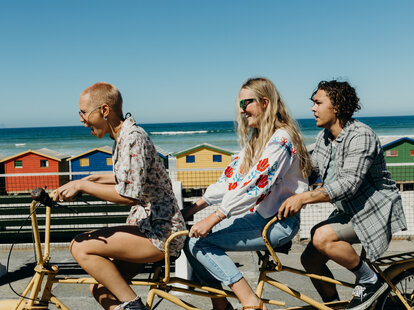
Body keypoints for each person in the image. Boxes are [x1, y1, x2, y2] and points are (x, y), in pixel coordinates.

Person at [182, 77, 312, 310]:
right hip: (259, 218)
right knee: (188, 240)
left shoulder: (281, 139)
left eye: (247, 104)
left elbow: (254, 185)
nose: (242, 111)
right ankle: (221, 304)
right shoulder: (257, 140)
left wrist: (216, 216)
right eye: (239, 106)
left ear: (265, 102)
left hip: (278, 223)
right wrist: (193, 208)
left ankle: (250, 301)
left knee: (199, 244)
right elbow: (231, 179)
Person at [54, 82, 186, 310]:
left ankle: (134, 306)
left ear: (104, 110)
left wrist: (83, 187)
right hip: (148, 227)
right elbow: (127, 177)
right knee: (101, 290)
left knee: (79, 245)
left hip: (160, 233)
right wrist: (89, 179)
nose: (81, 120)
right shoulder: (121, 138)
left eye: (84, 113)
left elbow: (128, 195)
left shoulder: (133, 137)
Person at [278, 80, 407, 310]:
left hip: (375, 209)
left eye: (318, 102)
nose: (313, 108)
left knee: (321, 236)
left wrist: (303, 198)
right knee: (309, 259)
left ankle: (370, 281)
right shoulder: (325, 138)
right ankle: (334, 306)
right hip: (349, 209)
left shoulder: (361, 135)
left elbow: (349, 184)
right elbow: (311, 171)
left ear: (336, 106)